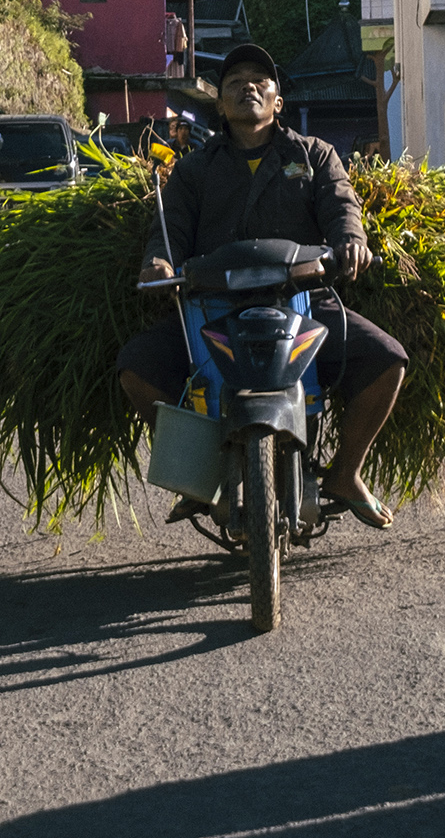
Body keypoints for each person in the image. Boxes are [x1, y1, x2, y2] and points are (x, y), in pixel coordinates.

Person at [116, 43, 407, 529]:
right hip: (212, 309)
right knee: (135, 367)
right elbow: (167, 235)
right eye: (235, 83)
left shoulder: (314, 155)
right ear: (221, 104)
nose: (248, 87)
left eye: (260, 81)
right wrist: (159, 266)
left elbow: (342, 209)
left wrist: (351, 242)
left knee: (387, 359)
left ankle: (345, 473)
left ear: (277, 100)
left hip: (301, 303)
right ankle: (198, 472)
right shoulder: (193, 170)